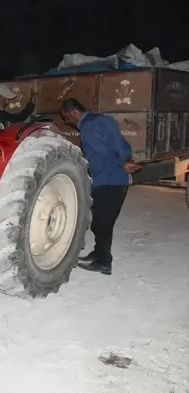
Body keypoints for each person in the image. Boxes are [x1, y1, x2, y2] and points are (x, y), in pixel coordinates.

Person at [59, 98, 141, 275]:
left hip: (106, 178)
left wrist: (120, 164)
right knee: (105, 221)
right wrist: (125, 161)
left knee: (101, 222)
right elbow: (122, 145)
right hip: (119, 179)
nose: (66, 122)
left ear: (74, 112)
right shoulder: (105, 120)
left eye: (66, 117)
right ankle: (99, 254)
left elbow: (100, 152)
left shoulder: (88, 126)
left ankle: (103, 261)